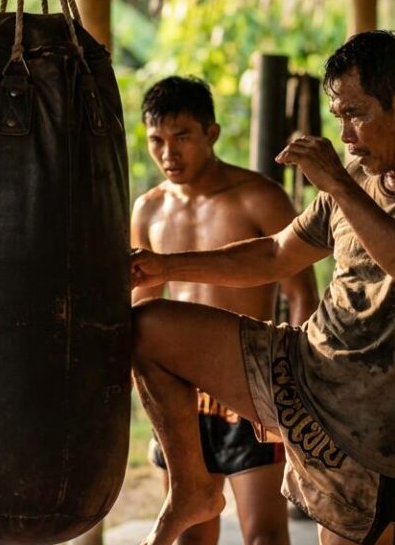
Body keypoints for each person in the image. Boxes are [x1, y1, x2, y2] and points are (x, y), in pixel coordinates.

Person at [130, 31, 395, 545]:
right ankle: (192, 487)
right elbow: (274, 254)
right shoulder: (358, 180)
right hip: (298, 366)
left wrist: (339, 184)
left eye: (355, 114)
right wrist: (163, 268)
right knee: (148, 328)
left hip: (369, 424)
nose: (347, 137)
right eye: (339, 120)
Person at [133, 76, 319, 545]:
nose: (168, 154)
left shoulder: (259, 197)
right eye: (157, 140)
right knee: (191, 534)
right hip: (180, 396)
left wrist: (297, 394)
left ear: (211, 134)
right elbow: (143, 308)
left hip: (249, 386)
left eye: (183, 137)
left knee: (264, 537)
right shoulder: (148, 210)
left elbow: (300, 295)